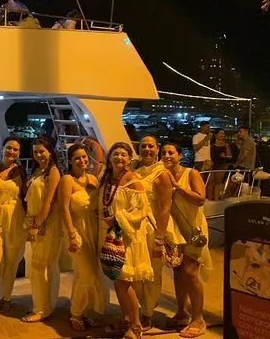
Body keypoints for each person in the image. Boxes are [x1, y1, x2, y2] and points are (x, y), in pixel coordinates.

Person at [99, 142, 152, 339]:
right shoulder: (108, 179)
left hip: (128, 237)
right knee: (118, 280)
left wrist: (117, 218)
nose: (119, 157)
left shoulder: (133, 181)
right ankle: (127, 318)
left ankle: (136, 324)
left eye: (123, 154)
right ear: (109, 157)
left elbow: (141, 210)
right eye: (116, 154)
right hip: (112, 235)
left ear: (129, 159)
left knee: (124, 282)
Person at [133, 136, 185, 332]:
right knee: (136, 271)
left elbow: (165, 208)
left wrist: (160, 237)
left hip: (153, 228)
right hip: (136, 229)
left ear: (157, 149)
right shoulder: (136, 172)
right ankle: (139, 307)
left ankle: (147, 312)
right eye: (143, 146)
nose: (147, 149)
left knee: (153, 273)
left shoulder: (161, 174)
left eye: (151, 146)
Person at [161, 142, 212, 338]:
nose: (167, 155)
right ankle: (182, 312)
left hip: (194, 229)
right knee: (178, 271)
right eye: (164, 153)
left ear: (180, 155)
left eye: (171, 152)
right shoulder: (163, 175)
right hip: (175, 231)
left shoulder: (191, 173)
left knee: (191, 273)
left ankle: (198, 318)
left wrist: (177, 187)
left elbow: (200, 199)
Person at [58, 144, 107, 331]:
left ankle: (84, 311)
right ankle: (76, 313)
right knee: (87, 274)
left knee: (86, 273)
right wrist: (71, 234)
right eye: (77, 158)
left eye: (84, 157)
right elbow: (64, 209)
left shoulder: (93, 179)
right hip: (76, 229)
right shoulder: (67, 180)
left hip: (93, 230)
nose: (82, 161)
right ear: (70, 161)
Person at [22, 136, 62, 322]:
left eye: (42, 151)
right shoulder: (38, 170)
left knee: (38, 267)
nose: (38, 155)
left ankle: (41, 309)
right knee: (43, 266)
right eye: (35, 152)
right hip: (35, 221)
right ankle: (45, 304)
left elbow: (49, 202)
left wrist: (37, 225)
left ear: (50, 152)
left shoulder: (53, 172)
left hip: (47, 224)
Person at [0, 136, 27, 313]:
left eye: (15, 149)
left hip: (14, 216)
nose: (11, 152)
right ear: (2, 148)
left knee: (11, 260)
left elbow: (25, 196)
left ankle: (6, 297)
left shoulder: (20, 171)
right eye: (8, 147)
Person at [207, 128, 232, 200]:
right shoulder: (211, 144)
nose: (222, 135)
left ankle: (216, 199)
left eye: (223, 133)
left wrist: (225, 156)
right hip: (212, 164)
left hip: (221, 165)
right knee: (210, 183)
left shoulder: (226, 144)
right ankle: (209, 199)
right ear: (216, 135)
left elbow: (230, 155)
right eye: (220, 133)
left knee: (218, 183)